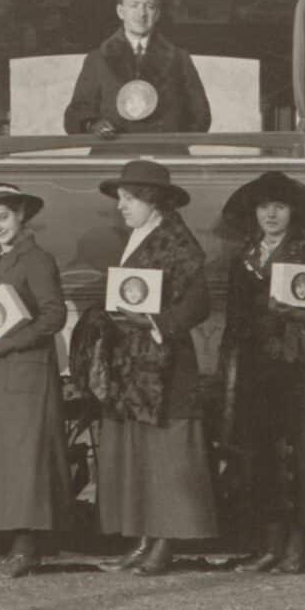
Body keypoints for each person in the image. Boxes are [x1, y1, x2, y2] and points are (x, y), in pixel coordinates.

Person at [71, 158, 217, 575]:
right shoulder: (140, 235)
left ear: (153, 201)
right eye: (121, 199)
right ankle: (142, 540)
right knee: (138, 453)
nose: (122, 206)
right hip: (134, 364)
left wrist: (157, 325)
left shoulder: (177, 241)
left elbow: (199, 302)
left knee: (163, 456)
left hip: (164, 365)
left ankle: (163, 544)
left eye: (130, 198)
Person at [219, 170, 305, 574]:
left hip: (299, 370)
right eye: (264, 207)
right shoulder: (244, 257)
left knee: (302, 455)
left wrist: (296, 316)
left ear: (293, 212)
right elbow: (234, 319)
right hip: (256, 370)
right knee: (260, 455)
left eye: (280, 207)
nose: (271, 215)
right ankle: (268, 543)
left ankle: (297, 546)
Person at [0, 182, 70, 578]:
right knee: (10, 460)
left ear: (21, 214)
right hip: (4, 374)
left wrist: (10, 343)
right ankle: (16, 548)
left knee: (27, 460)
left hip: (25, 372)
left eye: (3, 217)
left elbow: (54, 314)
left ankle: (27, 549)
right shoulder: (2, 260)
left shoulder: (36, 258)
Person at [65, 0, 211, 139]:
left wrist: (173, 141)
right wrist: (93, 125)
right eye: (134, 5)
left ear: (157, 13)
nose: (142, 14)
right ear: (121, 11)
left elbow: (201, 116)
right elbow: (75, 114)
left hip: (164, 154)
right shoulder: (97, 59)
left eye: (149, 6)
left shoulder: (180, 59)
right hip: (112, 152)